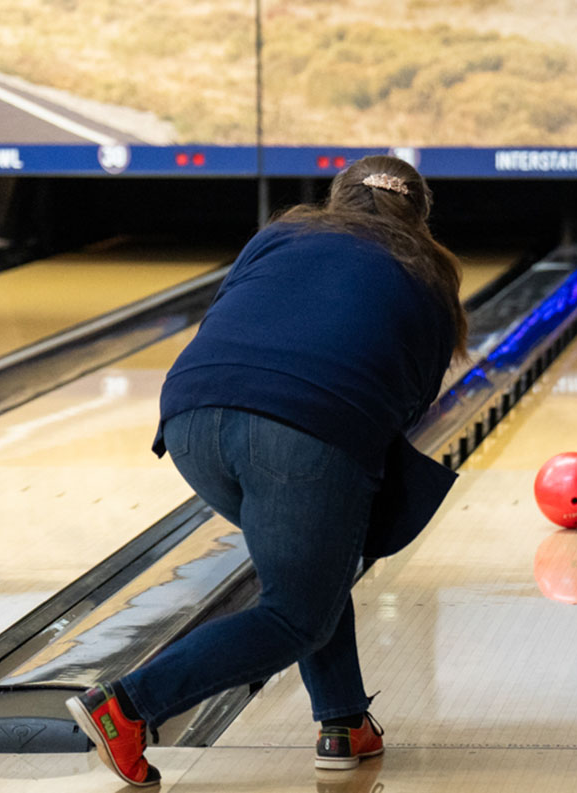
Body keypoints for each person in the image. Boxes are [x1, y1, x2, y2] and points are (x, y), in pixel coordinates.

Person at [66, 154, 468, 787]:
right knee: (295, 616)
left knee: (314, 573)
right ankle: (128, 706)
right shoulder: (429, 275)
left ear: (338, 197)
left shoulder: (282, 233)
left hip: (190, 417)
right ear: (419, 217)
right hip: (302, 431)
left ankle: (343, 722)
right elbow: (411, 403)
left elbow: (227, 313)